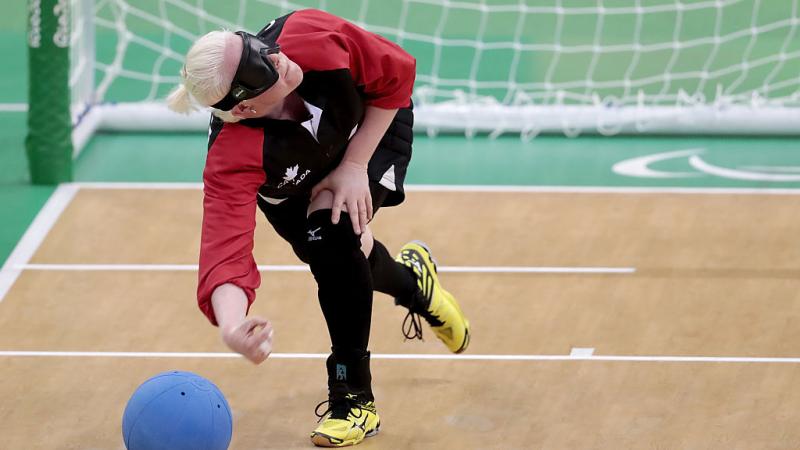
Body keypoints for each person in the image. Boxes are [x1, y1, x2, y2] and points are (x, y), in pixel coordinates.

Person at [167, 8, 470, 447]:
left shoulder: (311, 37)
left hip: (371, 128)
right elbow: (224, 251)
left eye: (259, 47)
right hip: (291, 194)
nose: (275, 58)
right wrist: (232, 326)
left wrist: (354, 164)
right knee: (348, 256)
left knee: (333, 241)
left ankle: (352, 399)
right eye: (259, 67)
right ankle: (415, 284)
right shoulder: (233, 155)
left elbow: (397, 73)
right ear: (246, 106)